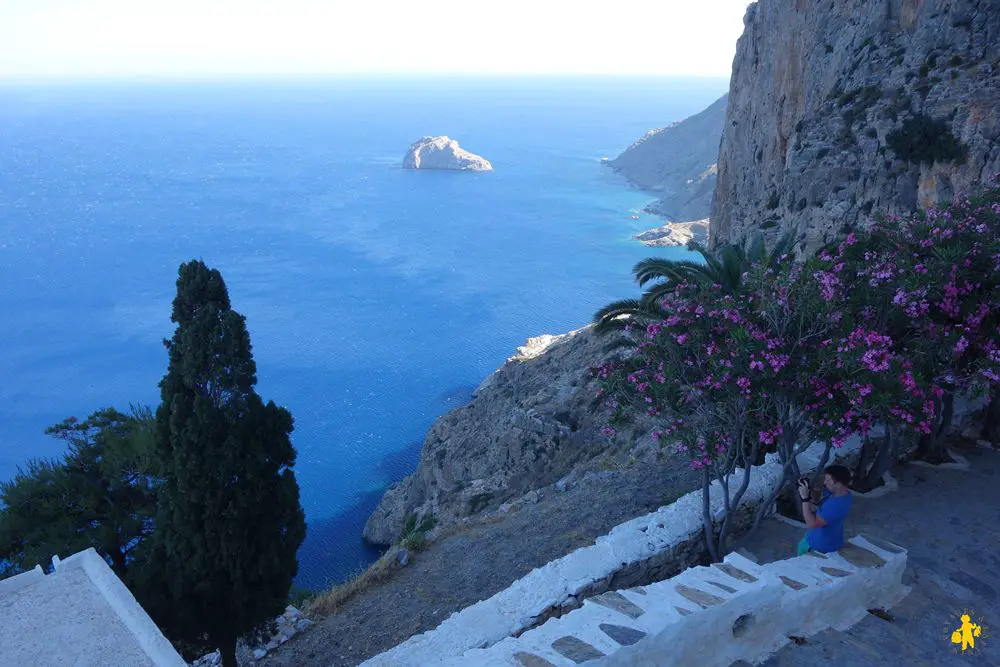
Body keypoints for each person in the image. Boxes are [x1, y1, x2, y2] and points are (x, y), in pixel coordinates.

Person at [796, 464, 853, 556]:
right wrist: (811, 488)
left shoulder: (835, 505)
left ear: (837, 484)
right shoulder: (841, 493)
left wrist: (805, 499)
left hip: (820, 546)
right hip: (822, 537)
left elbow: (812, 524)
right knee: (801, 545)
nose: (825, 483)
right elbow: (817, 500)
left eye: (828, 480)